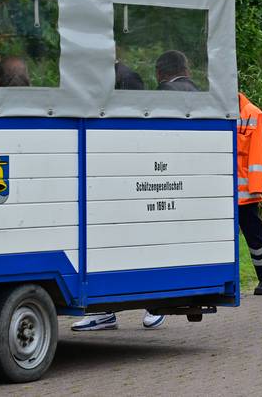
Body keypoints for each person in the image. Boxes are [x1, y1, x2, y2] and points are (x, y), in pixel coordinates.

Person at [71, 61, 161, 332]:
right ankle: (103, 311)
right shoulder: (89, 77)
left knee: (137, 239)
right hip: (104, 170)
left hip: (128, 170)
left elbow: (135, 124)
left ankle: (154, 304)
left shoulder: (127, 77)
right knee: (104, 241)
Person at [237, 92, 262, 295]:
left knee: (255, 237)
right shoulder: (215, 110)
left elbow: (257, 153)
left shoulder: (252, 113)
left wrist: (255, 188)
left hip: (245, 193)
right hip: (222, 191)